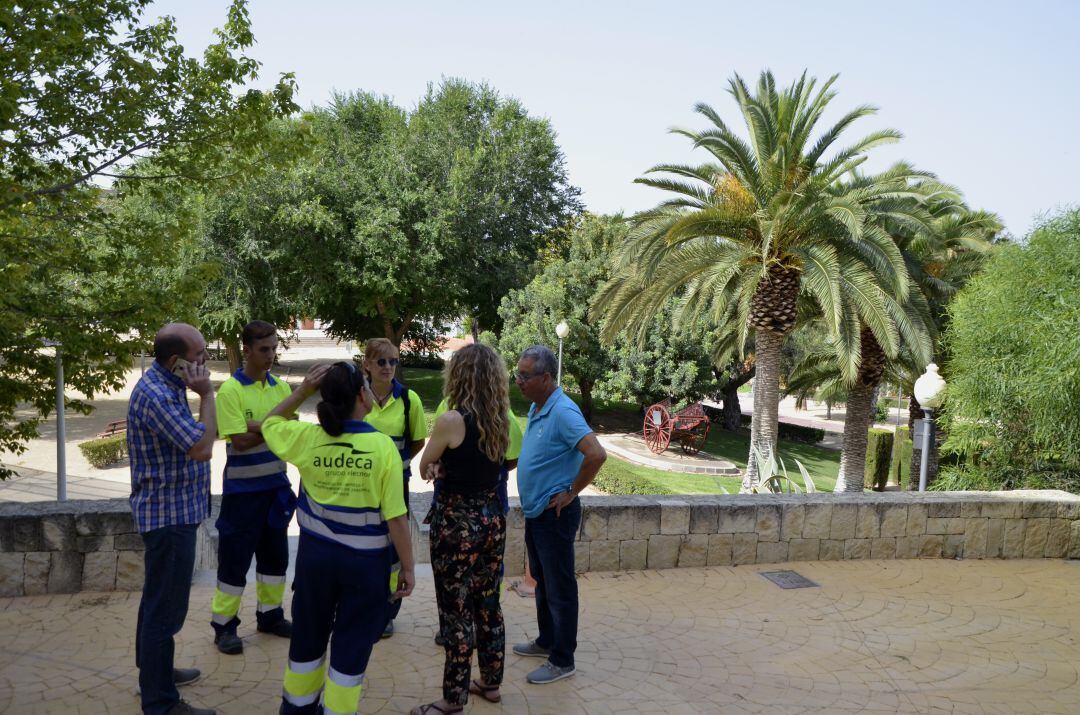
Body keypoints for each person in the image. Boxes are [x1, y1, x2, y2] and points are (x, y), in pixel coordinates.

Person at [262, 361, 415, 715]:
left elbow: (270, 423)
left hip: (315, 564)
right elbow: (396, 518)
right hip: (365, 569)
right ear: (362, 396)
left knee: (306, 642)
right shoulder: (381, 448)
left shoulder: (308, 439)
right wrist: (407, 567)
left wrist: (301, 392)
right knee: (351, 648)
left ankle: (297, 708)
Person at [412, 344, 510, 715]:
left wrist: (437, 468)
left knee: (455, 610)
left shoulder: (452, 420)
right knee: (488, 604)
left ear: (458, 375)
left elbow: (425, 465)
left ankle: (452, 699)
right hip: (492, 521)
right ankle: (491, 680)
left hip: (457, 526)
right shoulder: (499, 417)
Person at [128, 323, 218, 715]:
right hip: (169, 518)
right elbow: (202, 447)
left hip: (173, 512)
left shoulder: (168, 386)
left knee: (156, 603)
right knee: (165, 611)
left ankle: (154, 673)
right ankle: (160, 701)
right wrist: (209, 396)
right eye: (199, 355)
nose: (205, 362)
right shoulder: (158, 396)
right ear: (175, 361)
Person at [511, 345, 607, 685]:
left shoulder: (563, 411)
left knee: (560, 587)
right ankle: (546, 640)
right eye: (517, 373)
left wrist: (571, 492)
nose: (518, 381)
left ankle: (562, 659)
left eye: (524, 376)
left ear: (546, 378)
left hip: (555, 515)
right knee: (541, 580)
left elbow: (595, 454)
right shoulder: (539, 407)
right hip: (538, 512)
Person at [208, 320, 294, 655]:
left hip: (276, 489)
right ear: (246, 350)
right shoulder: (230, 390)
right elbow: (241, 441)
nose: (271, 355)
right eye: (264, 349)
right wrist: (271, 426)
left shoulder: (281, 389)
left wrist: (259, 425)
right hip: (242, 495)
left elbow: (288, 435)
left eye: (274, 348)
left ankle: (270, 616)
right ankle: (224, 626)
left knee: (276, 560)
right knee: (234, 564)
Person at [361, 338, 426, 637]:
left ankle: (387, 610)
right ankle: (360, 604)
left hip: (396, 484)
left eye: (394, 362)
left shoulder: (409, 399)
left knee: (393, 550)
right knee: (363, 544)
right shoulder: (357, 397)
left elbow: (417, 442)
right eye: (382, 361)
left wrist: (393, 465)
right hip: (361, 485)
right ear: (367, 365)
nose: (388, 367)